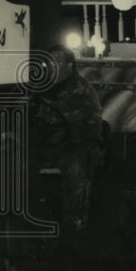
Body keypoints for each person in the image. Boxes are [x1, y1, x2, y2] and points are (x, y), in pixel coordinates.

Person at [31, 44, 105, 232]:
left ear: (69, 65)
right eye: (49, 62)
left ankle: (75, 224)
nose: (51, 66)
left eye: (57, 61)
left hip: (79, 143)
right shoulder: (42, 88)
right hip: (50, 143)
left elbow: (73, 121)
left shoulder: (81, 90)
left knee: (76, 167)